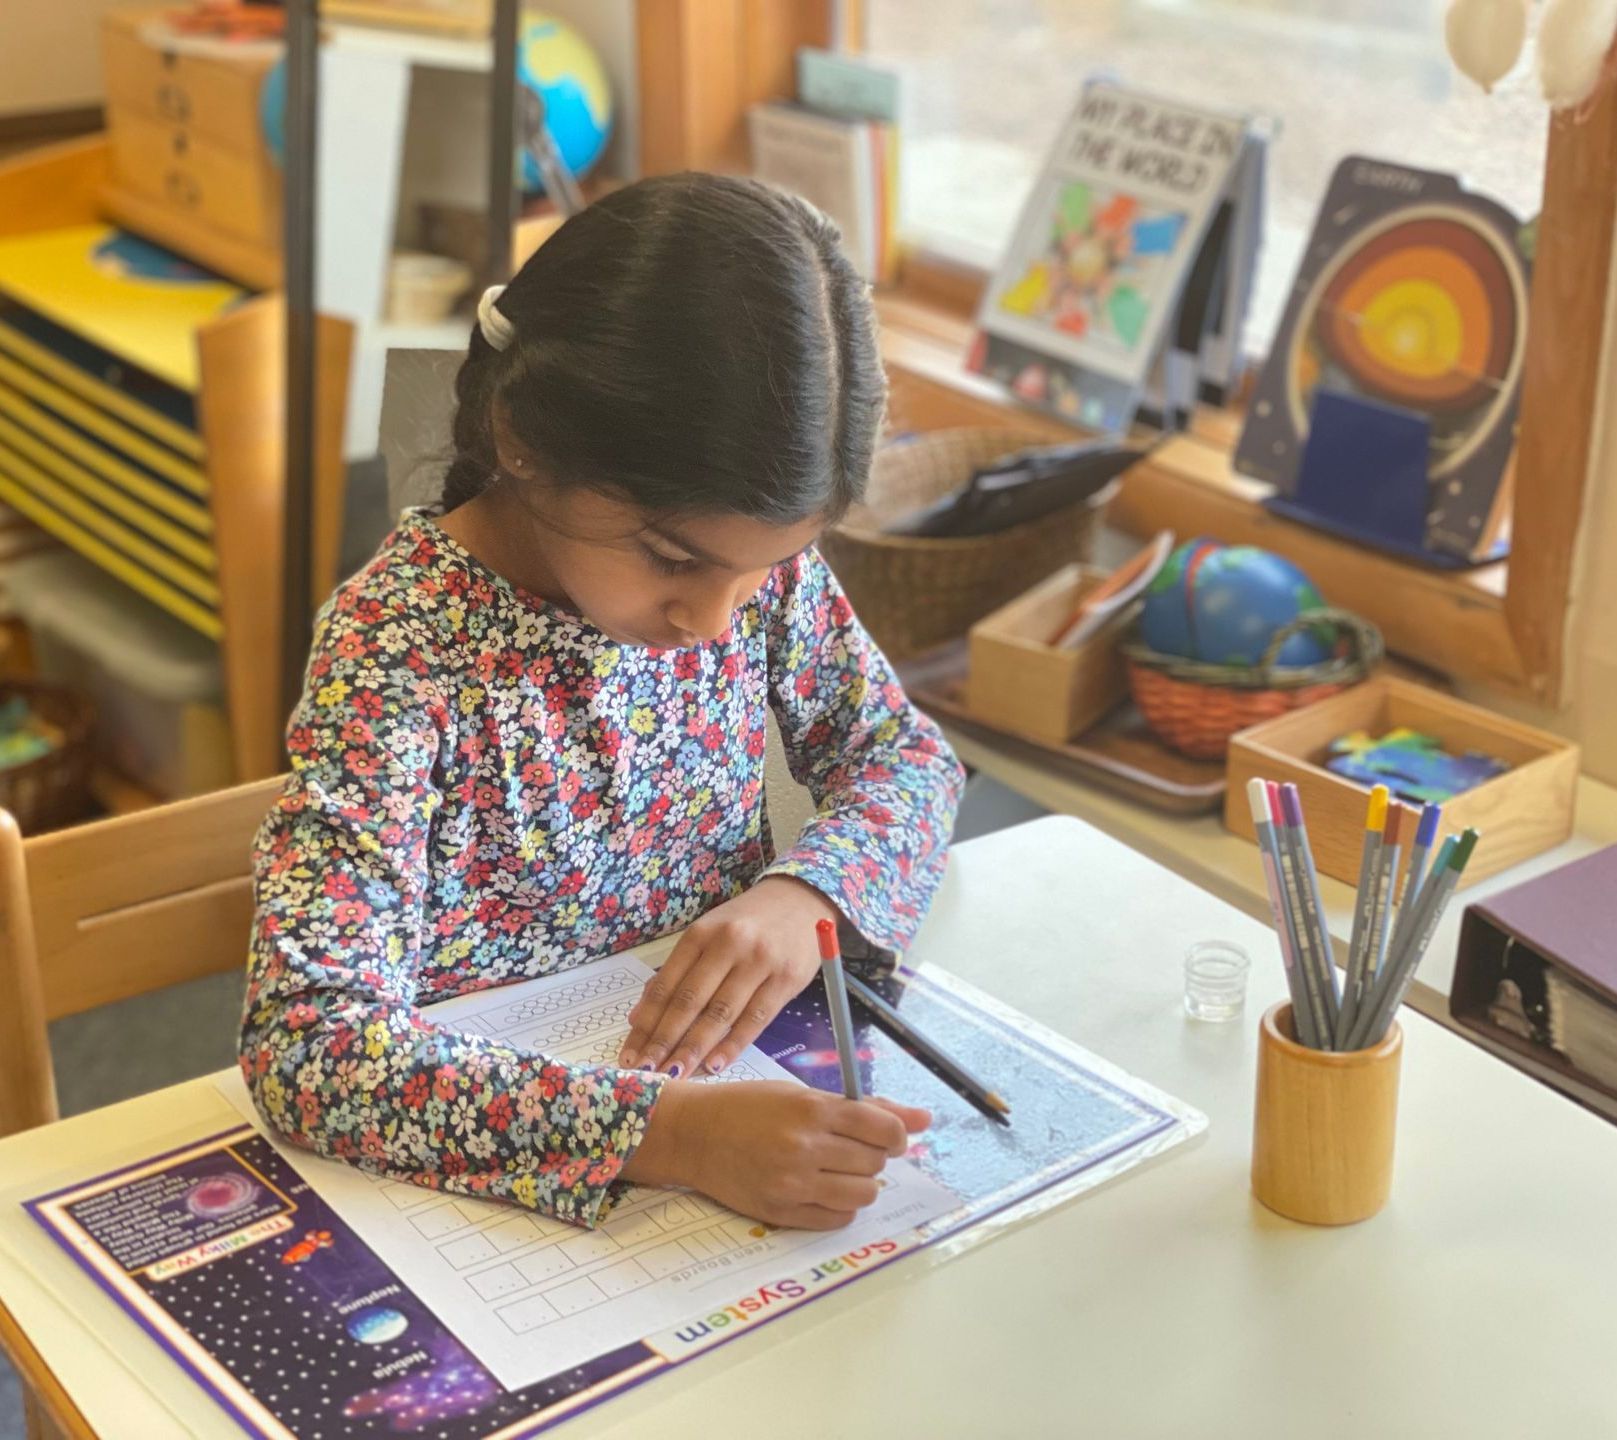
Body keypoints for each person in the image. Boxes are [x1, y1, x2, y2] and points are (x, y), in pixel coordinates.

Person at [240, 173, 964, 1233]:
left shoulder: (754, 568)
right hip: (493, 1193)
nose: (717, 618)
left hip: (724, 1119)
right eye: (675, 558)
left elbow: (904, 753)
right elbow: (307, 1046)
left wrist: (807, 895)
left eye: (764, 570)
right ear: (525, 438)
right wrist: (665, 1137)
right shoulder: (397, 646)